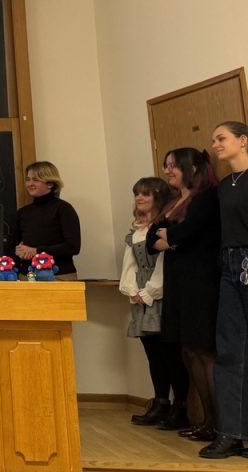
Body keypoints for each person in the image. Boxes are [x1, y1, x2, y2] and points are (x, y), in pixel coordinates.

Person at [149, 147, 220, 442]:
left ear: (192, 168)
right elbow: (151, 240)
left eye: (173, 166)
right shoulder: (173, 202)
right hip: (178, 285)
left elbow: (184, 234)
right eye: (166, 165)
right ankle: (206, 422)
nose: (168, 171)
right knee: (188, 351)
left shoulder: (207, 198)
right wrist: (169, 237)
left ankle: (219, 424)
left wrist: (171, 237)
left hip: (201, 284)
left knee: (203, 351)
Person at [120, 176, 188, 426]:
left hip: (159, 295)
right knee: (154, 356)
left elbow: (163, 265)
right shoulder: (135, 231)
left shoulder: (163, 227)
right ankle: (161, 402)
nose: (139, 198)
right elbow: (130, 265)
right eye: (137, 193)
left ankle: (181, 406)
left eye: (145, 194)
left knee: (171, 354)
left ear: (158, 197)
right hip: (140, 297)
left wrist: (150, 292)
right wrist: (132, 290)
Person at [201, 121, 248, 458]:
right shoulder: (226, 185)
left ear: (243, 141)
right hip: (230, 265)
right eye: (214, 139)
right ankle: (231, 432)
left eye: (222, 138)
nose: (216, 144)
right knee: (230, 349)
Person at [13, 161, 81, 279]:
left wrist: (36, 251)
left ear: (50, 184)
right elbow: (14, 245)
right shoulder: (23, 212)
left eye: (36, 180)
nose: (30, 184)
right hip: (26, 276)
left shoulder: (63, 208)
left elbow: (72, 247)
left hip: (59, 276)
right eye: (28, 179)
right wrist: (18, 251)